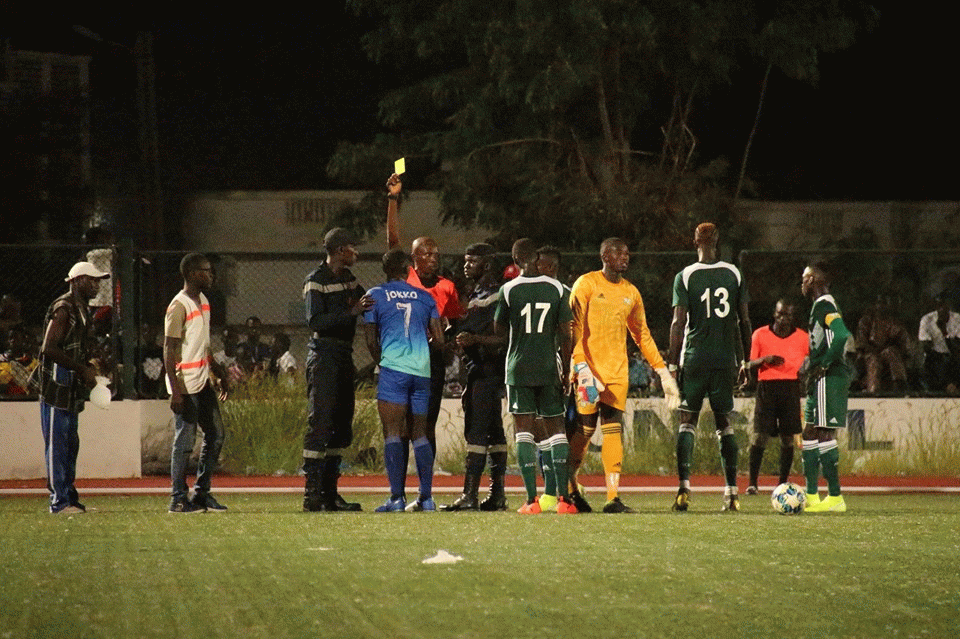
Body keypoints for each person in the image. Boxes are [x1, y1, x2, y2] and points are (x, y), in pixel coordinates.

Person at [570, 238, 680, 513]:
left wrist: (662, 371)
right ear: (605, 255)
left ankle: (612, 497)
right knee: (585, 430)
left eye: (628, 253)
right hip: (588, 369)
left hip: (617, 372)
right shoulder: (587, 284)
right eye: (620, 253)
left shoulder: (632, 292)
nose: (626, 257)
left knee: (613, 429)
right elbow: (573, 328)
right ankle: (569, 486)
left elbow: (641, 334)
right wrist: (580, 366)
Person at [667, 223, 751, 513]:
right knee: (724, 423)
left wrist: (671, 364)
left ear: (695, 242)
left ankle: (684, 489)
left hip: (695, 357)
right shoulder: (734, 273)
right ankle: (731, 494)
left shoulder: (685, 276)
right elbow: (744, 321)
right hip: (725, 358)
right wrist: (746, 360)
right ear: (717, 240)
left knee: (687, 421)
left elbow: (679, 322)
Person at [494, 238, 577, 513]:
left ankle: (531, 501)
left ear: (516, 260)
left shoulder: (508, 290)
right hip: (549, 367)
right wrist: (565, 369)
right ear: (537, 257)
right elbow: (567, 333)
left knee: (524, 432)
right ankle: (563, 501)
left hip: (518, 368)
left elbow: (499, 329)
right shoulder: (557, 288)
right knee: (557, 431)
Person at [386, 173, 464, 457]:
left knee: (427, 421)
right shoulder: (407, 279)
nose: (432, 258)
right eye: (426, 254)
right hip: (405, 355)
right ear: (414, 257)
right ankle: (399, 484)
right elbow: (393, 243)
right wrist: (393, 199)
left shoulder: (446, 286)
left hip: (432, 360)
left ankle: (425, 486)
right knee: (404, 422)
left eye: (435, 255)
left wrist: (448, 342)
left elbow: (455, 321)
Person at [363, 248, 444, 511]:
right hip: (421, 371)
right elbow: (439, 340)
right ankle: (427, 498)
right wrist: (419, 353)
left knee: (393, 433)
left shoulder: (374, 296)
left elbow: (370, 339)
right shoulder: (424, 296)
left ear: (385, 270)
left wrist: (384, 362)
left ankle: (397, 498)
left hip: (393, 370)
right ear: (409, 269)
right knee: (420, 433)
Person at [301, 227, 373, 512]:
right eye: (353, 247)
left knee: (341, 426)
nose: (357, 252)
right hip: (324, 356)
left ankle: (330, 493)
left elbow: (369, 300)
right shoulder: (315, 281)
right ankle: (312, 495)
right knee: (320, 423)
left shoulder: (349, 279)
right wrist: (351, 312)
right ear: (341, 250)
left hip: (343, 356)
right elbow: (314, 322)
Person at [441, 243, 509, 511]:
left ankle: (469, 495)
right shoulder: (476, 294)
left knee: (478, 432)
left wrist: (473, 338)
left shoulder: (495, 296)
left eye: (472, 261)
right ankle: (497, 494)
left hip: (487, 370)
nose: (466, 266)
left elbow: (501, 338)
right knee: (494, 433)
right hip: (478, 370)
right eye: (465, 261)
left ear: (487, 265)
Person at [37, 262, 108, 513]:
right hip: (57, 386)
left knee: (69, 443)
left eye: (98, 281)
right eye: (92, 280)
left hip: (69, 387)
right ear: (76, 281)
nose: (97, 285)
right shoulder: (64, 308)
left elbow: (72, 348)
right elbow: (49, 348)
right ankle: (59, 501)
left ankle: (68, 495)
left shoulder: (81, 309)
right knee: (58, 444)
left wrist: (88, 367)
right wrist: (81, 369)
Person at [163, 253, 231, 513]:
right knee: (185, 442)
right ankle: (178, 499)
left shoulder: (202, 300)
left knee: (215, 434)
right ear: (192, 274)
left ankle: (202, 494)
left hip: (202, 382)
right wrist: (175, 391)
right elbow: (169, 348)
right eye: (207, 271)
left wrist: (217, 371)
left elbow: (203, 344)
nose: (211, 275)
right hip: (185, 384)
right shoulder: (178, 305)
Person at [800, 262, 853, 513]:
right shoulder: (819, 306)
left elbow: (842, 334)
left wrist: (825, 364)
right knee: (809, 433)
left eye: (804, 278)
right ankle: (811, 495)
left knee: (823, 433)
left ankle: (835, 497)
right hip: (819, 377)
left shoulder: (824, 304)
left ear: (812, 280)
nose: (801, 283)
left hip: (830, 377)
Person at [743, 299, 809, 494]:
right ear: (774, 313)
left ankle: (782, 484)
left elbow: (813, 357)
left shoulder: (802, 337)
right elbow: (749, 364)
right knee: (759, 436)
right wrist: (765, 360)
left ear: (793, 317)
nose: (783, 319)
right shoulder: (760, 334)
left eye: (787, 315)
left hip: (790, 388)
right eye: (780, 314)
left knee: (788, 438)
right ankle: (752, 483)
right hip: (767, 387)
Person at [855, 294, 911, 395]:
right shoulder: (866, 321)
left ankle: (899, 388)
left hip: (889, 354)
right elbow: (862, 344)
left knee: (891, 352)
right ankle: (873, 392)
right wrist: (877, 350)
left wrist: (894, 341)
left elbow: (904, 346)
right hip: (870, 354)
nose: (882, 306)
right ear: (875, 305)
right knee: (874, 361)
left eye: (885, 303)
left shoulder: (896, 323)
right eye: (880, 303)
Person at [918, 292, 960, 394]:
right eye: (939, 305)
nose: (942, 308)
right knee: (933, 362)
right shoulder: (927, 319)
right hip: (935, 358)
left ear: (949, 306)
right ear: (935, 306)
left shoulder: (958, 319)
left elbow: (957, 348)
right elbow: (925, 347)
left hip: (954, 357)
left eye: (945, 305)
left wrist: (944, 332)